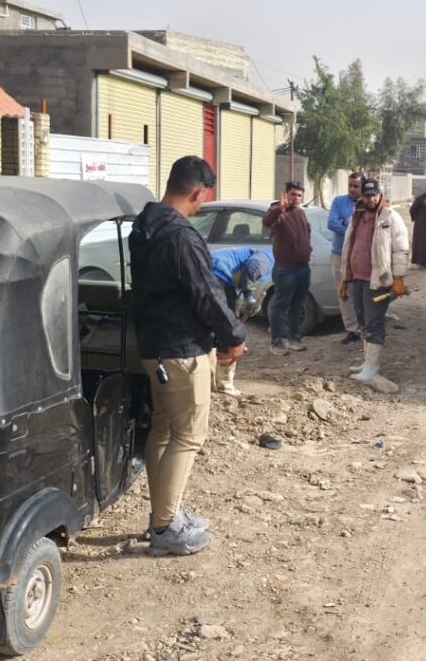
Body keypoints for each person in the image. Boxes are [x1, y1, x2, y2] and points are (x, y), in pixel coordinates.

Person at [129, 155, 247, 556]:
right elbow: (206, 293)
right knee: (188, 435)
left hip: (154, 347)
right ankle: (165, 527)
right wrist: (234, 335)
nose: (202, 205)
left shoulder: (143, 226)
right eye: (203, 198)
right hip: (182, 352)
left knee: (164, 430)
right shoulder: (180, 235)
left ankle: (166, 513)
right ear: (198, 193)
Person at [339, 180, 410, 388]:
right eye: (367, 195)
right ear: (362, 196)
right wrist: (345, 278)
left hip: (378, 281)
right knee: (362, 321)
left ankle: (372, 368)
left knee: (374, 323)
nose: (370, 199)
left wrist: (399, 279)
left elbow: (400, 249)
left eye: (374, 195)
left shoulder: (390, 217)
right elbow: (348, 247)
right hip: (358, 279)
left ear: (380, 195)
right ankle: (367, 363)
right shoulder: (357, 216)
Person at [210, 247, 274, 397]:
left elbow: (241, 279)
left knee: (219, 324)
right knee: (227, 329)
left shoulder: (257, 255)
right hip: (219, 275)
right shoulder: (269, 257)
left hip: (212, 273)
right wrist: (249, 296)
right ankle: (224, 383)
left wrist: (242, 308)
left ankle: (211, 377)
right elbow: (252, 267)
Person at [262, 181, 312, 356]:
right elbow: (267, 221)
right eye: (293, 194)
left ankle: (294, 339)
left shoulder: (300, 212)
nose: (296, 198)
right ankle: (276, 343)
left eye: (299, 195)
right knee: (280, 307)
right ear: (285, 194)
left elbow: (307, 232)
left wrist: (307, 249)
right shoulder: (277, 211)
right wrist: (280, 208)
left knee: (296, 306)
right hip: (286, 270)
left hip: (303, 268)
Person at [328, 173, 364, 345]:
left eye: (356, 186)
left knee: (362, 291)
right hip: (340, 255)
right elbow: (332, 223)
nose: (352, 189)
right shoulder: (339, 202)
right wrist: (351, 233)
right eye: (350, 185)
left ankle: (366, 327)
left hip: (362, 256)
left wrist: (345, 225)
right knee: (344, 293)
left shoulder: (368, 203)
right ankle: (352, 330)